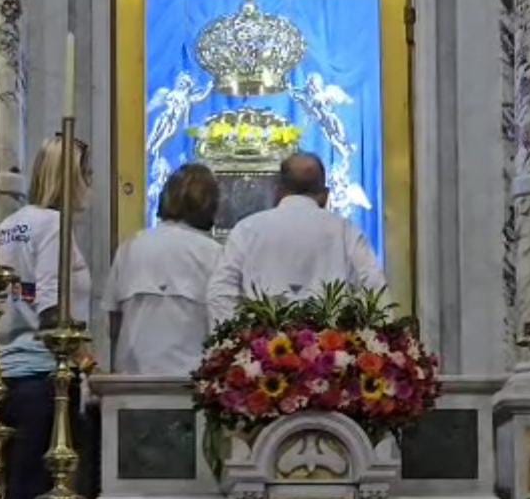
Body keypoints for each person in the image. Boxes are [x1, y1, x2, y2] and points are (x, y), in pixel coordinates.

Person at [0, 135, 92, 499]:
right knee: (45, 485)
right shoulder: (54, 224)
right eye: (87, 175)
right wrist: (83, 358)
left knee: (18, 479)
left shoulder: (11, 224)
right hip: (45, 370)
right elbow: (53, 306)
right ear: (73, 176)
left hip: (11, 368)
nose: (90, 184)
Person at [207, 151, 387, 326]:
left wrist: (237, 343)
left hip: (262, 349)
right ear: (325, 196)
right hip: (330, 351)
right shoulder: (346, 231)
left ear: (278, 191)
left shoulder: (247, 229)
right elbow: (375, 290)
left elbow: (220, 292)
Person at [103, 163, 221, 376]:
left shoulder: (132, 246)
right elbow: (223, 323)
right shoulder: (213, 254)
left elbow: (114, 321)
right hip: (191, 380)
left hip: (131, 378)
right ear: (210, 204)